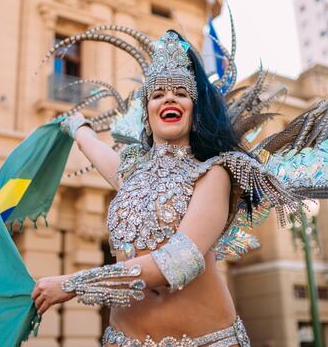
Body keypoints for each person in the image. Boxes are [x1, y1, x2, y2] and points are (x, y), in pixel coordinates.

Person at [31, 31, 290, 347]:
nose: (169, 98)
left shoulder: (213, 172)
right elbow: (99, 154)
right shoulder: (134, 176)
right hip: (123, 339)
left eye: (181, 93)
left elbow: (178, 261)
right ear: (147, 113)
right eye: (158, 94)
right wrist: (76, 127)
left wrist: (72, 284)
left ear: (194, 110)